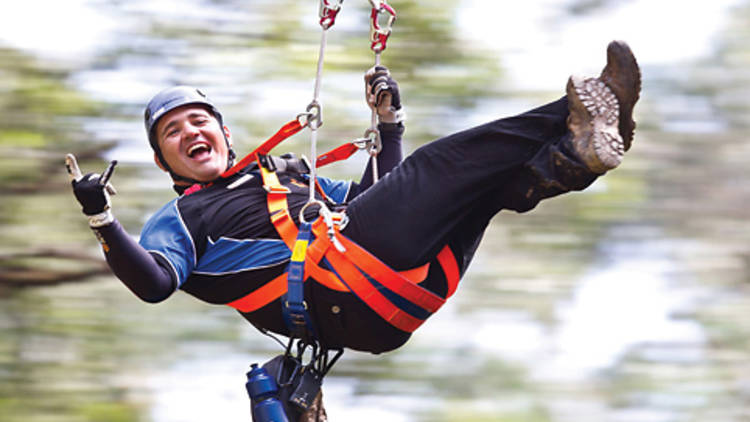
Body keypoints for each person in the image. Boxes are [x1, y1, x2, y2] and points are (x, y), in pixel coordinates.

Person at [68, 40, 641, 355]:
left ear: (225, 134)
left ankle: (576, 156)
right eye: (173, 132)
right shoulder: (181, 219)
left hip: (398, 289)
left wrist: (388, 125)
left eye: (199, 121)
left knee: (478, 187)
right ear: (162, 160)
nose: (191, 133)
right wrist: (103, 219)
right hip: (345, 290)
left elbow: (384, 197)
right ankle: (578, 114)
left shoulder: (285, 177)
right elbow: (154, 285)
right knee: (442, 164)